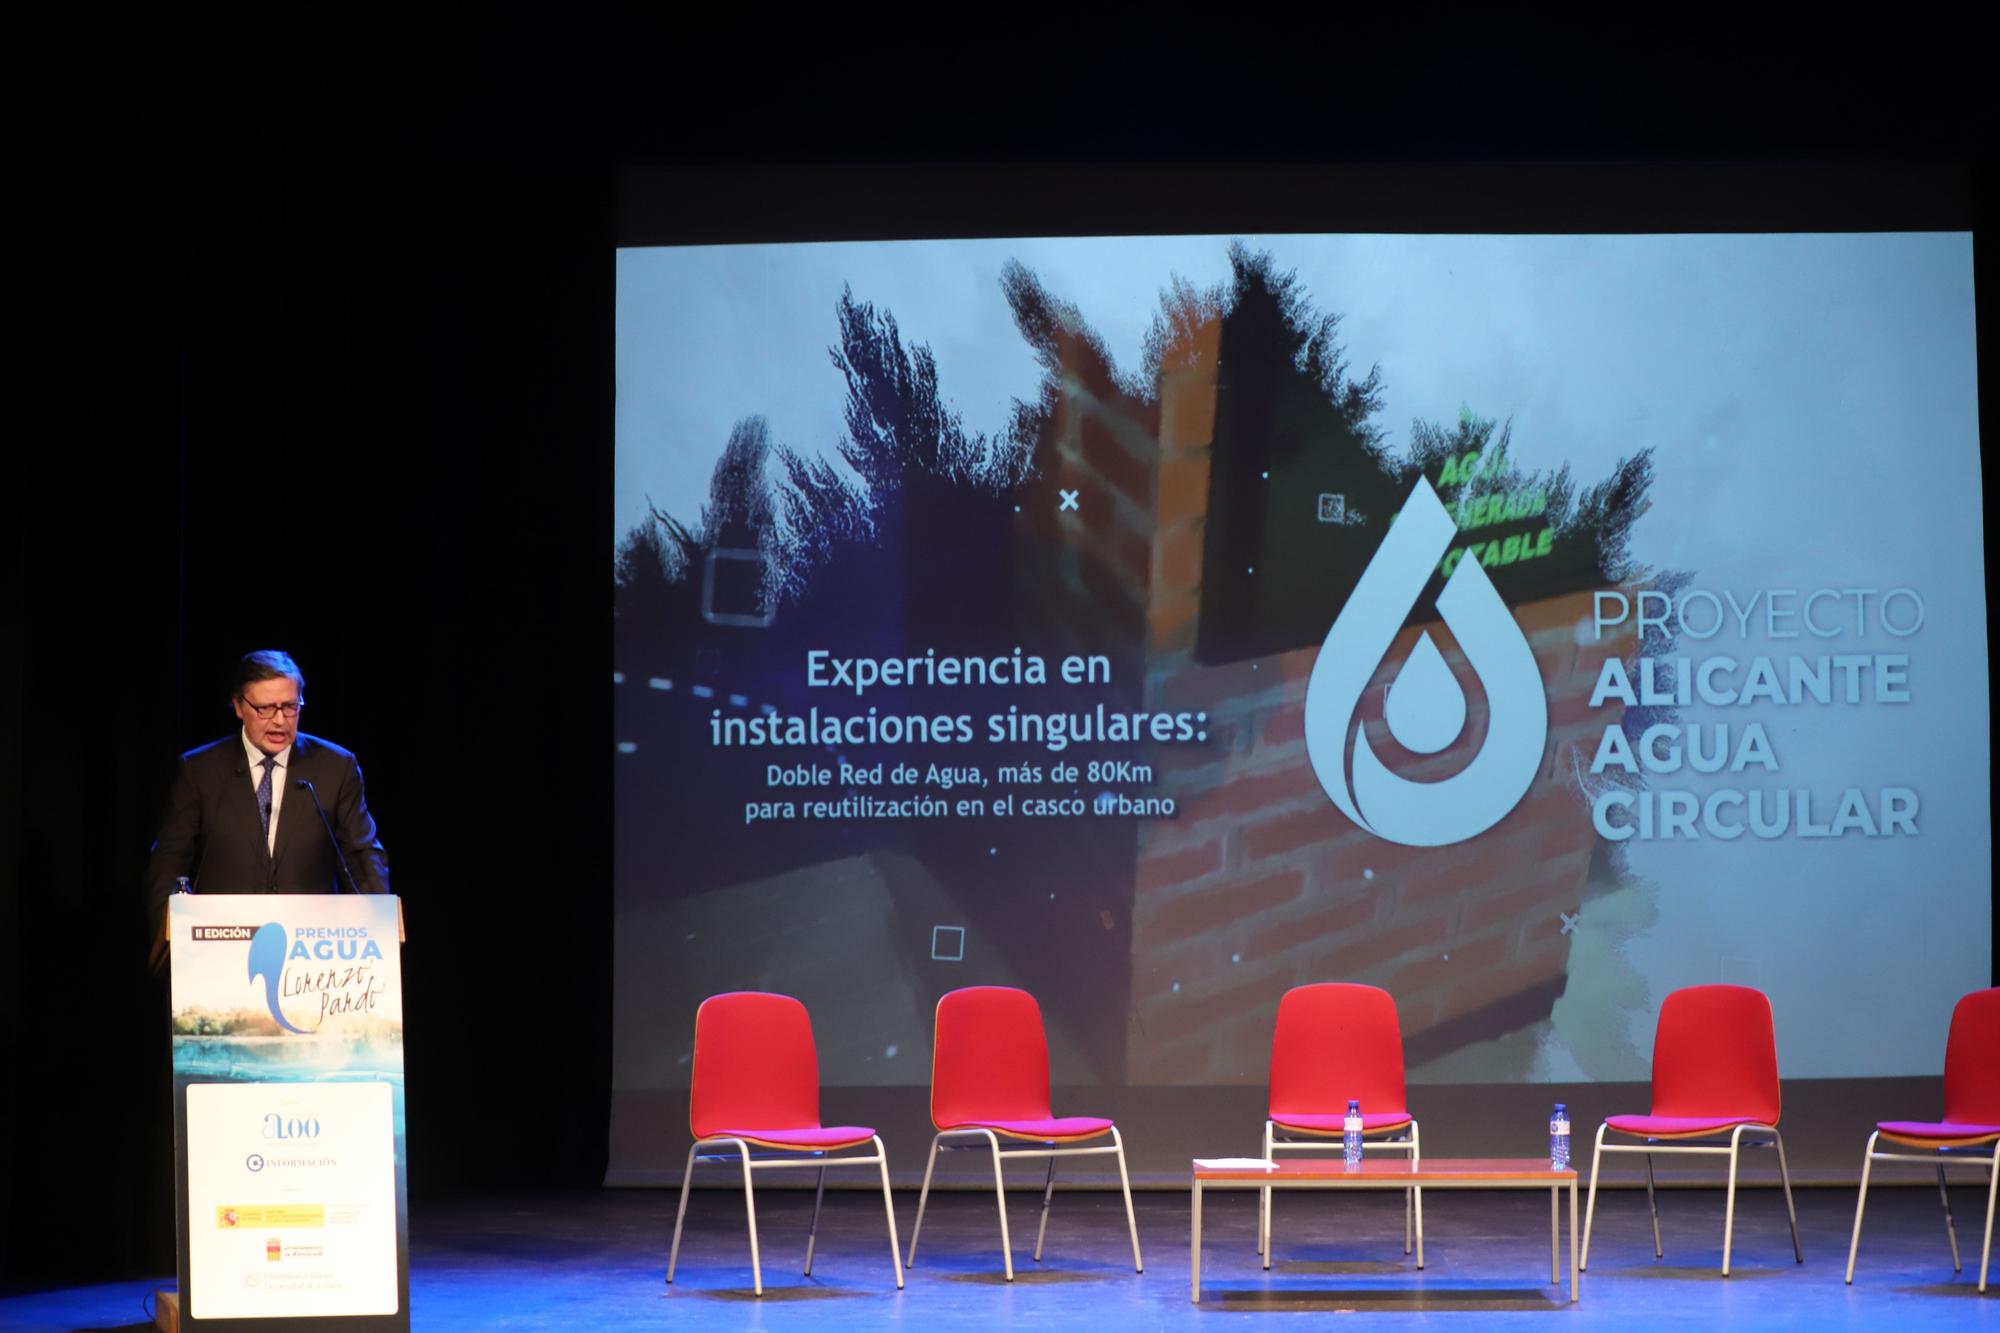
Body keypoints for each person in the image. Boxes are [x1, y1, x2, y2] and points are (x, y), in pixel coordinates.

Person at [145, 650, 390, 936]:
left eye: (289, 706)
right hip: (220, 946)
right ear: (239, 706)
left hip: (311, 948)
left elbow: (362, 857)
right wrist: (170, 937)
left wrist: (380, 930)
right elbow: (170, 862)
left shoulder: (336, 767)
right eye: (265, 708)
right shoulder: (200, 770)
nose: (279, 720)